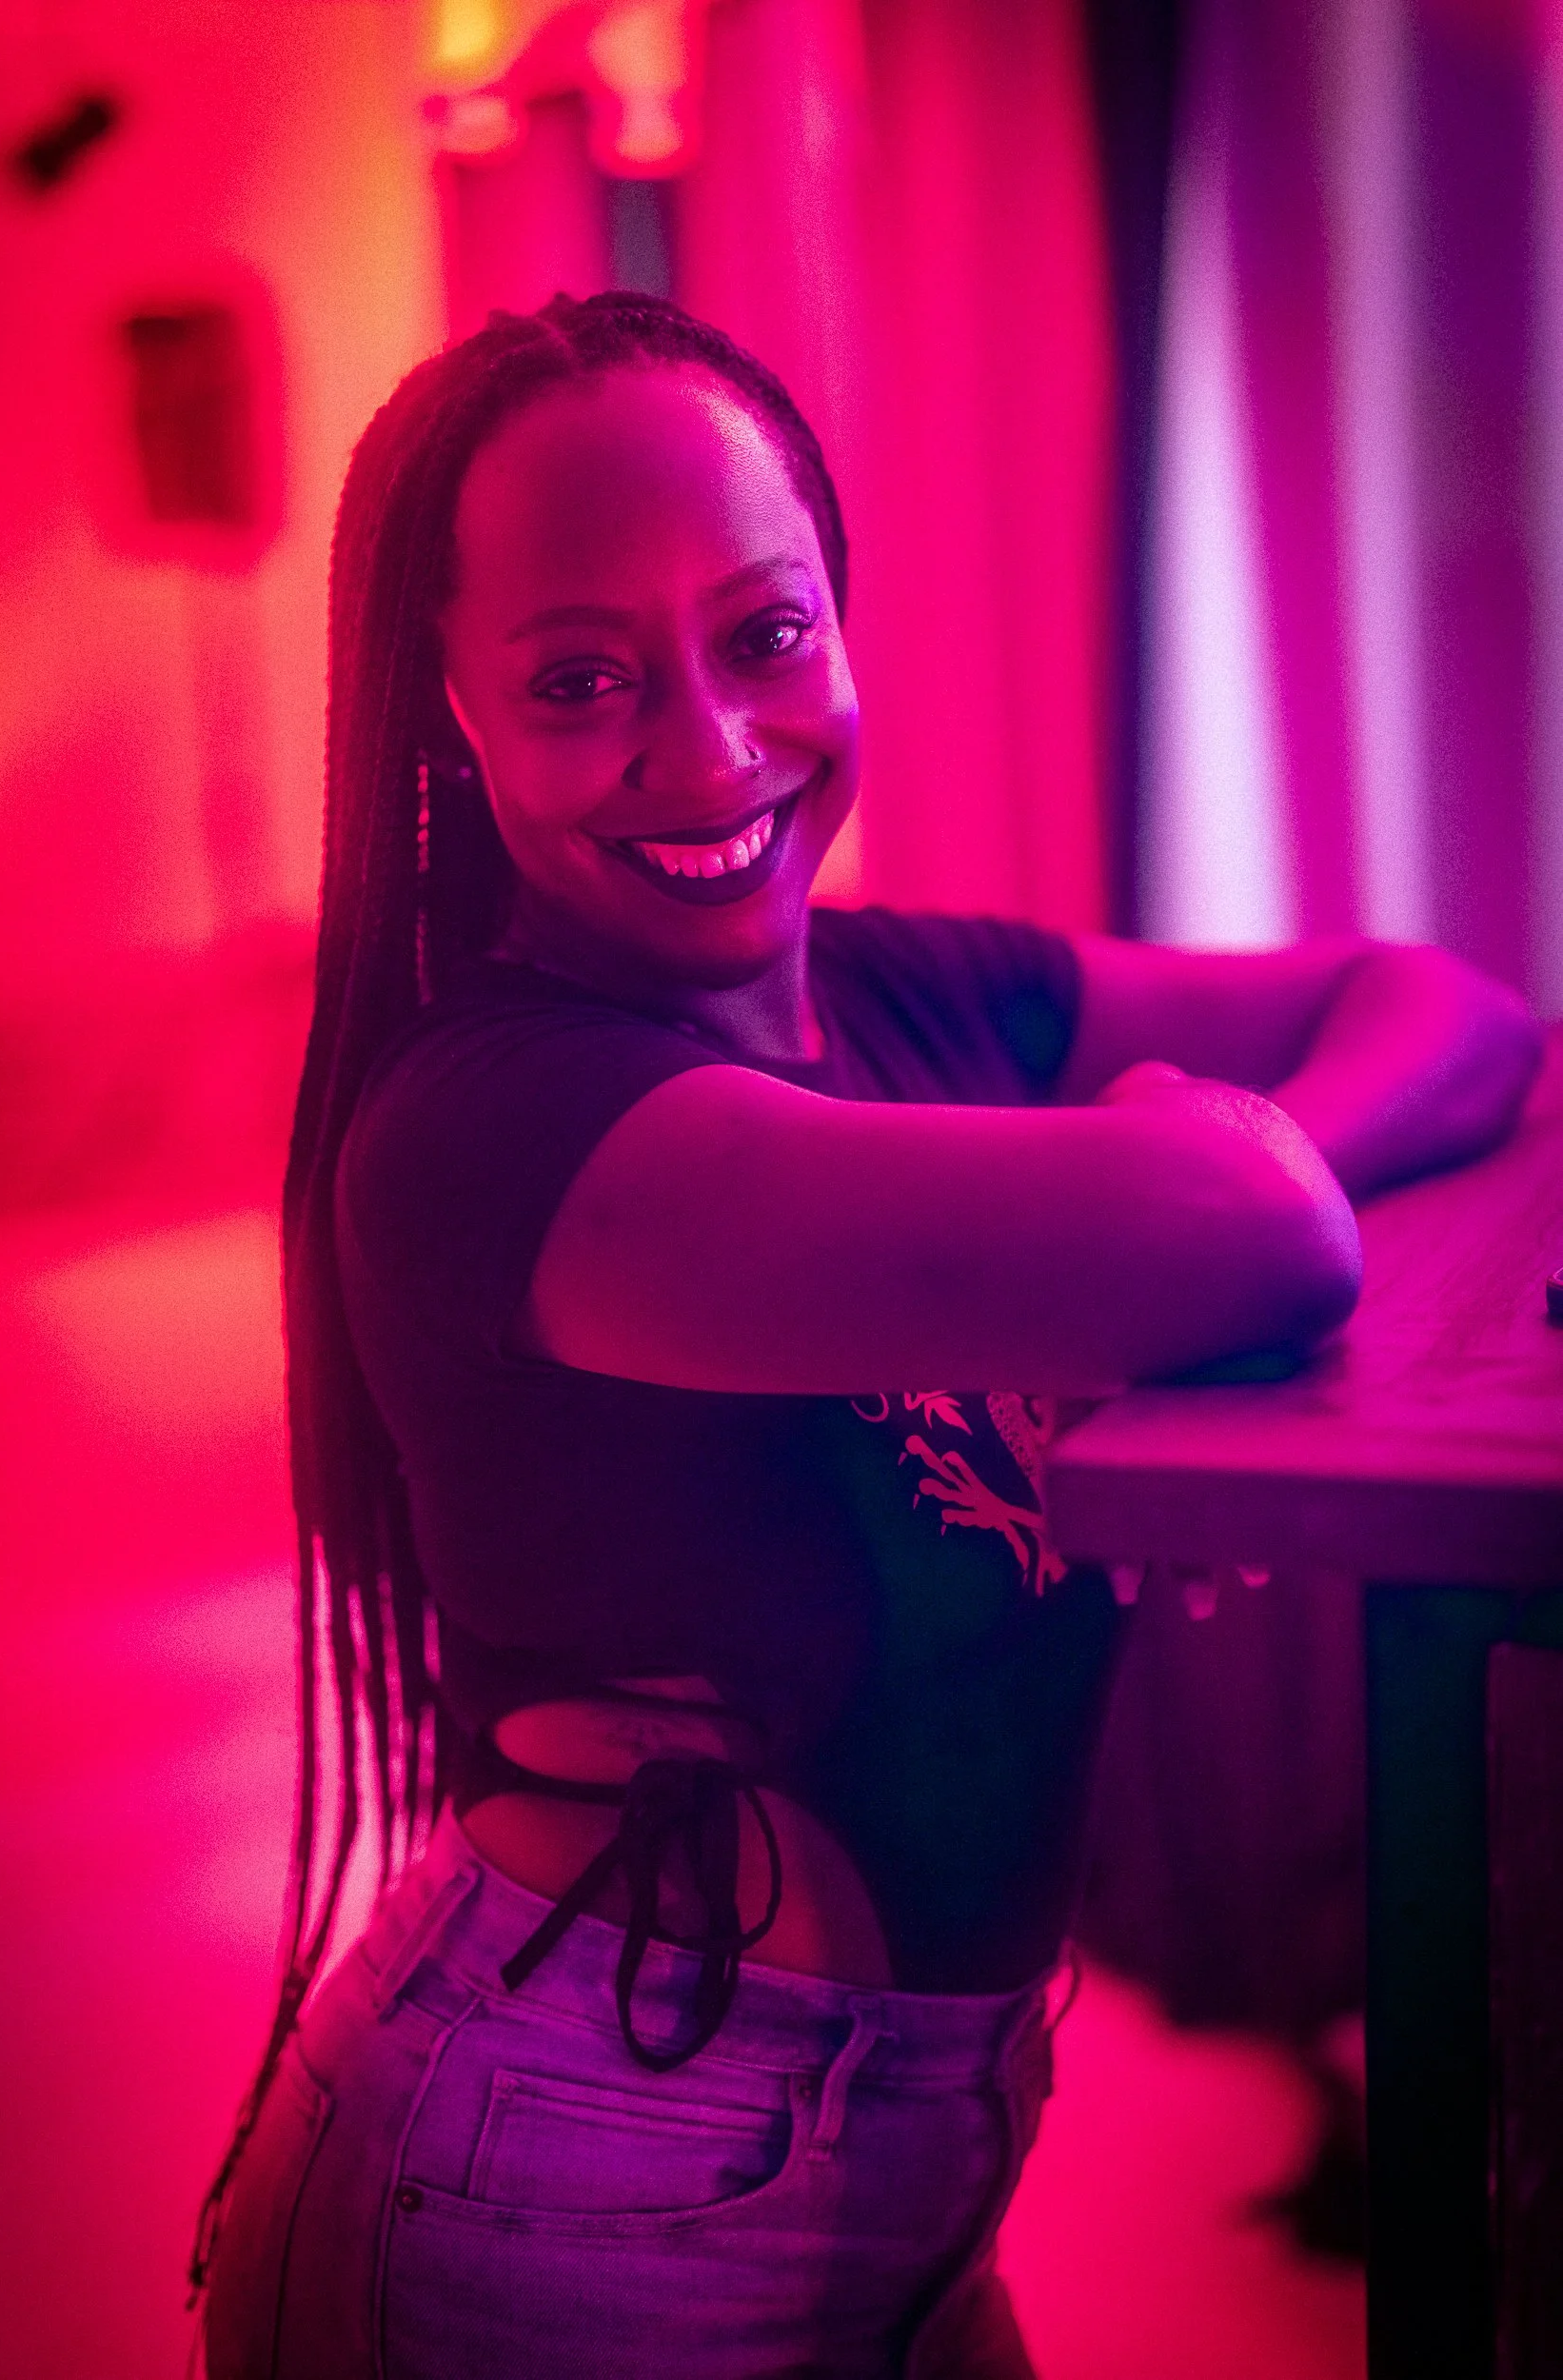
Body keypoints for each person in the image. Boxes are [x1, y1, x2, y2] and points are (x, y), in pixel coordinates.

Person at [197, 292, 1542, 2380]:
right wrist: (1188, 1196)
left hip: (897, 2169)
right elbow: (1263, 1229)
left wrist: (1202, 1169)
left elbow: (1448, 1014)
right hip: (567, 2187)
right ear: (444, 715)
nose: (711, 746)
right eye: (580, 678)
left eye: (764, 630)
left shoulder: (918, 996)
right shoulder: (505, 1126)